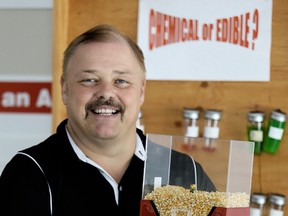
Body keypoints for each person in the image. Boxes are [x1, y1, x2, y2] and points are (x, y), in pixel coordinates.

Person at [0, 24, 215, 216]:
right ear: (65, 89)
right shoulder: (28, 174)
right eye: (89, 80)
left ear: (141, 91)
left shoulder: (185, 172)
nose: (106, 93)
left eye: (121, 80)